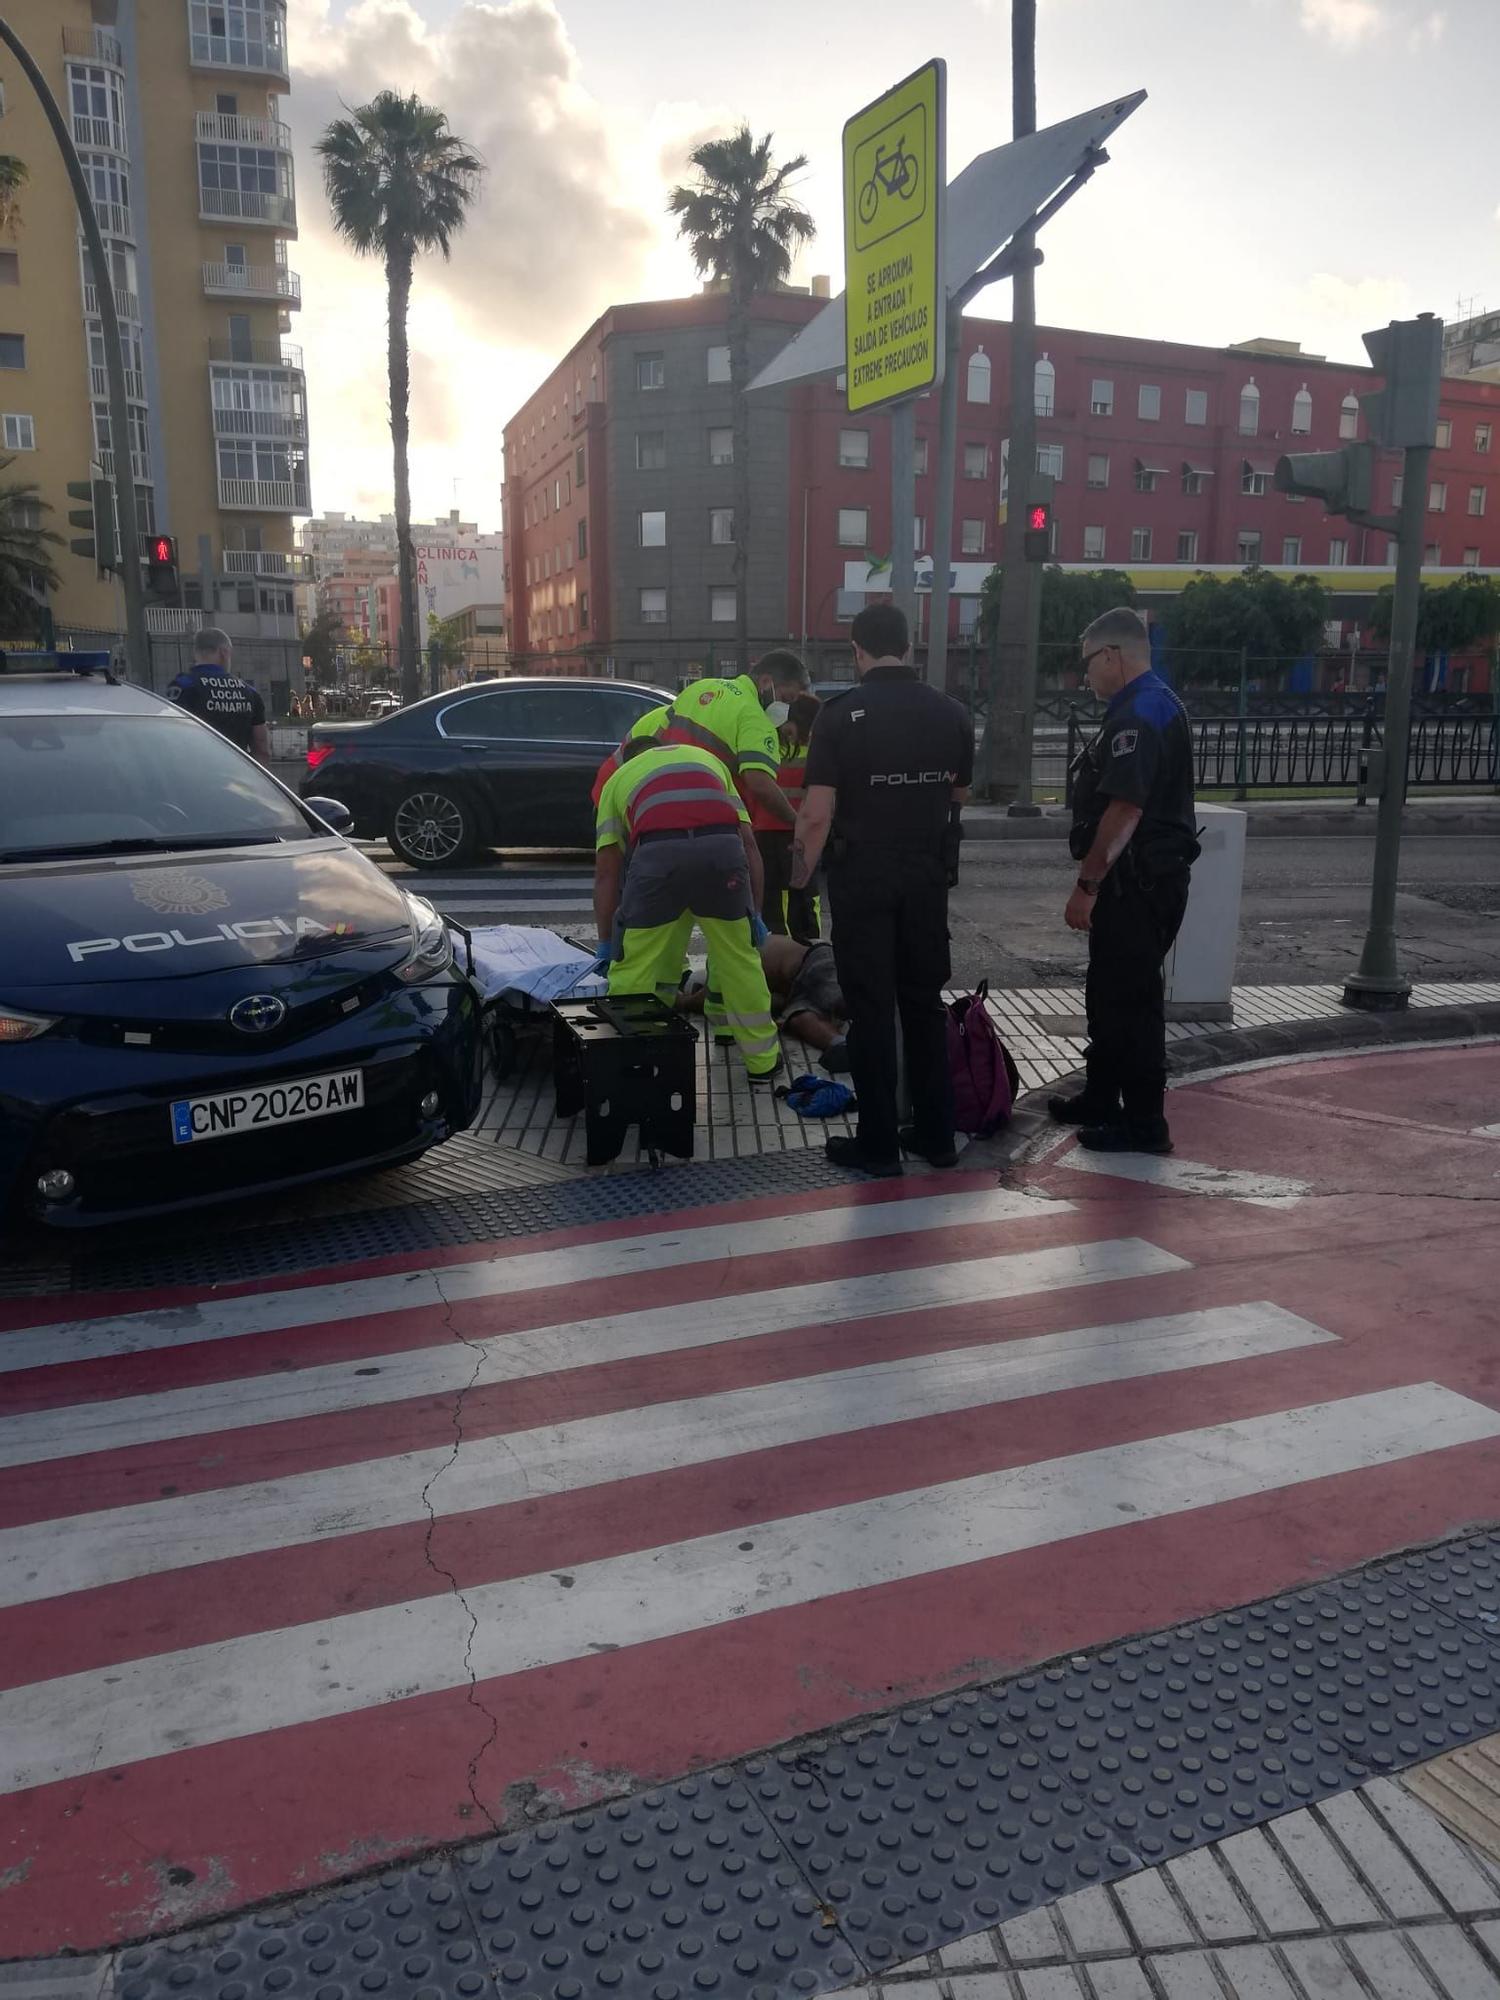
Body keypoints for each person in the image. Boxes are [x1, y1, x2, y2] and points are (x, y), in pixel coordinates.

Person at [793, 601, 972, 1177]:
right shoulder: (953, 714)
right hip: (926, 879)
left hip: (863, 880)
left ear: (856, 649)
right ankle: (938, 1137)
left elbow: (816, 815)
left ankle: (878, 1145)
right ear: (910, 646)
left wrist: (801, 881)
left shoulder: (839, 716)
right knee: (924, 1006)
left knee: (871, 1012)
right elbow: (957, 797)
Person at [1050, 606, 1199, 1155]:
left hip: (1136, 883)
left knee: (1132, 1003)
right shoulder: (1153, 702)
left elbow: (1125, 809)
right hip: (1141, 879)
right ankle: (1101, 1096)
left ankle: (1143, 1123)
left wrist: (1086, 886)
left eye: (1089, 662)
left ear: (1112, 655)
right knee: (1109, 994)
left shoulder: (1139, 714)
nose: (1085, 675)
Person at [594, 737, 782, 1083]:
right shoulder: (707, 760)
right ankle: (763, 1061)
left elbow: (607, 874)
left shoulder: (618, 780)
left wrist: (608, 943)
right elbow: (750, 845)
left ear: (629, 760)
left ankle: (631, 1062)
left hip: (658, 860)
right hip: (722, 854)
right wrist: (753, 913)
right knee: (738, 955)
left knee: (636, 963)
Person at [589, 651, 812, 830]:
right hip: (678, 812)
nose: (786, 708)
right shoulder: (753, 716)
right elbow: (759, 783)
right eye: (786, 698)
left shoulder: (701, 688)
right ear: (765, 682)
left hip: (637, 799)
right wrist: (797, 823)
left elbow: (654, 746)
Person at [679, 933, 851, 1073]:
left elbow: (700, 1000)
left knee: (827, 1004)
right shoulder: (737, 963)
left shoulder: (728, 967)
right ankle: (842, 1045)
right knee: (798, 1016)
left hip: (811, 963)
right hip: (804, 972)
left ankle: (844, 1043)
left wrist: (680, 1003)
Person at [752, 692, 822, 938]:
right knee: (802, 895)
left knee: (772, 897)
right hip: (800, 833)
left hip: (764, 830)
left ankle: (775, 951)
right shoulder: (819, 751)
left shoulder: (768, 746)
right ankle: (808, 948)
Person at [167, 629, 270, 763]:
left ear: (195, 653)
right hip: (236, 774)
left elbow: (171, 737)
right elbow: (262, 747)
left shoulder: (183, 687)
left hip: (193, 772)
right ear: (224, 653)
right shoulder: (249, 692)